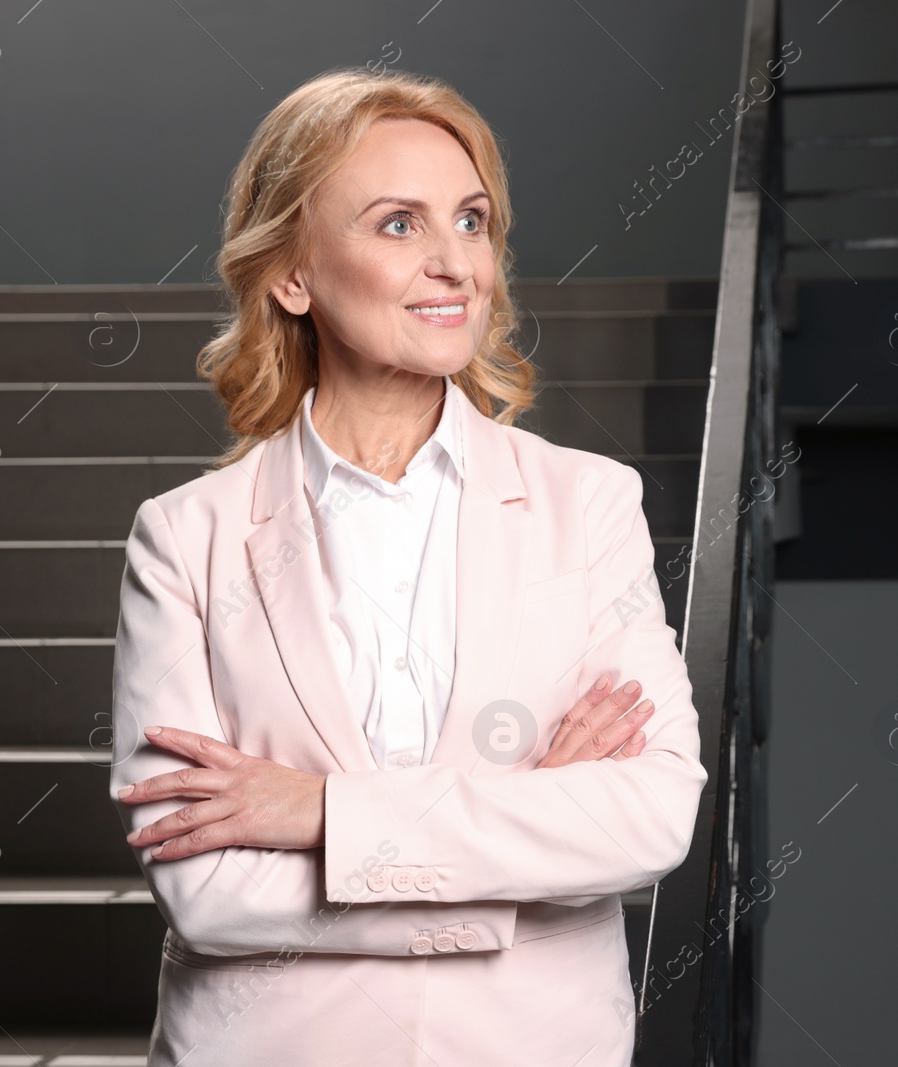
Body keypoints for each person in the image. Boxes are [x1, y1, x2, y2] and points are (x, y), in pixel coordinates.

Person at [107, 66, 708, 1066]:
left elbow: (647, 814)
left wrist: (320, 812)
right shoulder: (185, 535)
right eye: (398, 224)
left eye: (471, 221)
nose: (455, 265)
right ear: (293, 274)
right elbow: (206, 891)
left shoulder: (589, 502)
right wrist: (515, 844)